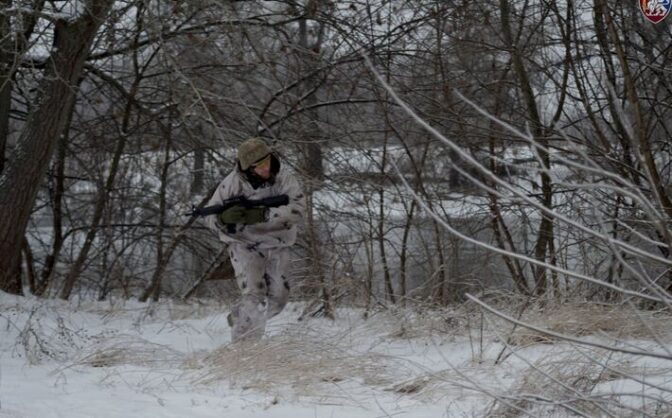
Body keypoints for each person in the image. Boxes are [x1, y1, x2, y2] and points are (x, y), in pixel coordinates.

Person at [206, 137, 305, 342]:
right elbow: (209, 216)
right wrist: (223, 219)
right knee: (255, 297)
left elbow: (298, 209)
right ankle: (245, 348)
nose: (265, 168)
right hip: (244, 244)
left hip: (277, 243)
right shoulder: (231, 184)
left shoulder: (284, 179)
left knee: (278, 300)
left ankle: (240, 315)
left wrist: (263, 215)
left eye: (266, 161)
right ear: (248, 168)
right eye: (259, 165)